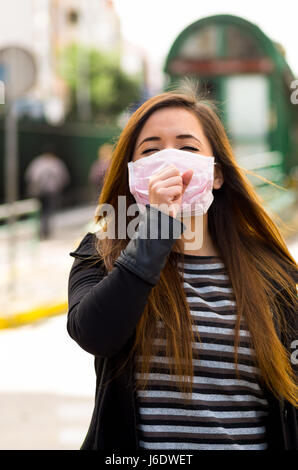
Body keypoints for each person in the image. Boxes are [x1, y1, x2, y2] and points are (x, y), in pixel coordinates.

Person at [67, 87, 298, 451]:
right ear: (133, 174)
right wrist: (156, 231)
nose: (169, 161)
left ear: (217, 174)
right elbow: (96, 334)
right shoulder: (100, 256)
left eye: (187, 148)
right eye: (151, 150)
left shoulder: (273, 274)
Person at [25, 147, 70, 239]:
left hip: (39, 192)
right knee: (48, 211)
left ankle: (41, 231)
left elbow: (29, 176)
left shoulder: (37, 162)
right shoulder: (56, 163)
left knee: (40, 212)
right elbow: (64, 178)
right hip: (52, 192)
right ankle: (46, 231)